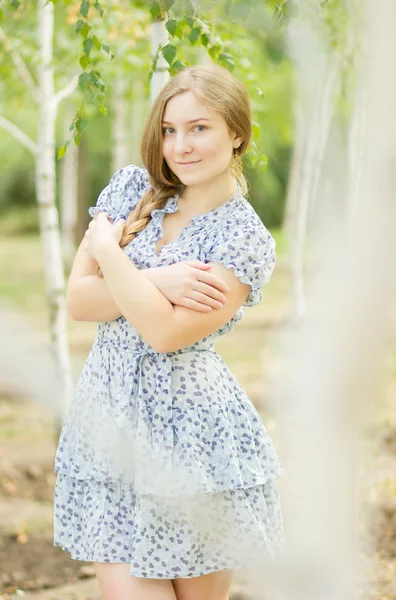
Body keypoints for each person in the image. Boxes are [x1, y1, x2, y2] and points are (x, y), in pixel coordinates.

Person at [54, 64, 285, 600]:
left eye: (199, 128)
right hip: (110, 420)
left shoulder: (243, 237)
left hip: (192, 438)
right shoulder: (136, 187)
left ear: (236, 133)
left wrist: (108, 251)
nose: (180, 146)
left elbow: (163, 333)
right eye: (169, 129)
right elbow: (79, 301)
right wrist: (159, 277)